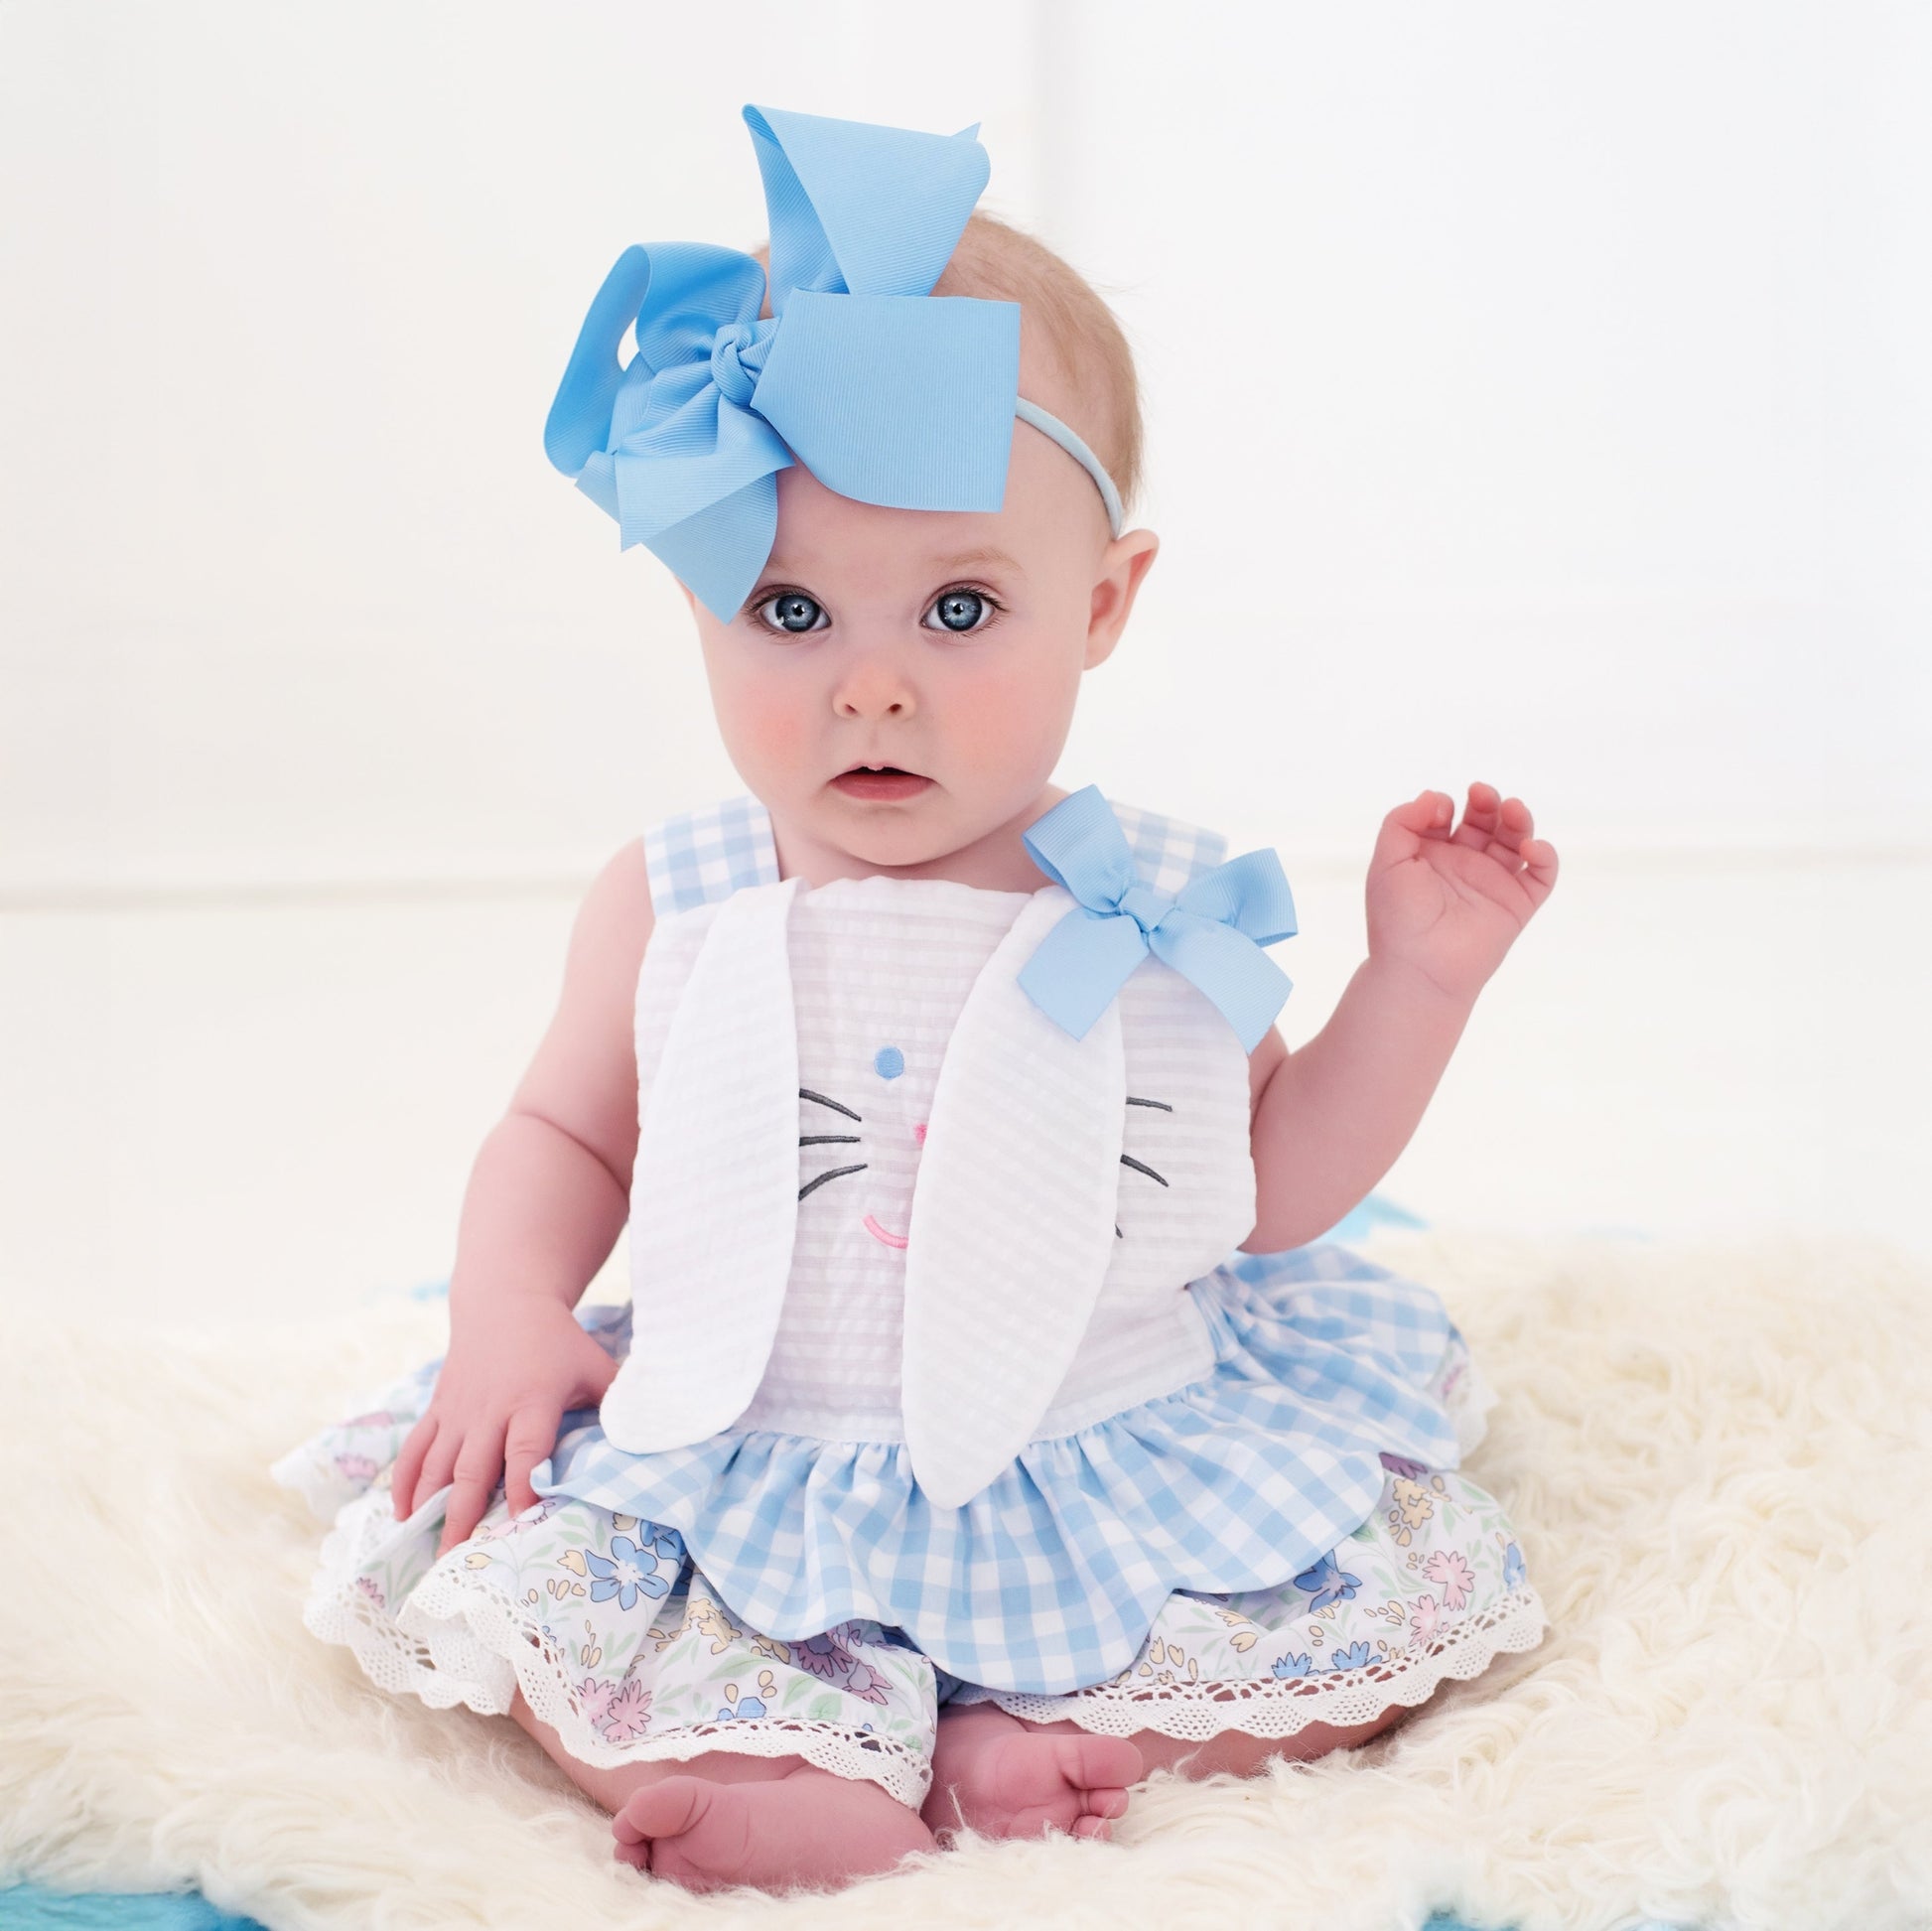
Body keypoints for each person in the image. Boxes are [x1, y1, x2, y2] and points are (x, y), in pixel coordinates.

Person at [271, 103, 1557, 1894]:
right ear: (699, 605)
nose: (870, 690)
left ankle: (1046, 1736)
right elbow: (563, 1130)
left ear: (1102, 602)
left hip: (1092, 1441)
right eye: (791, 613)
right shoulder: (680, 894)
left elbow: (1260, 1186)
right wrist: (508, 1304)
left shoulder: (1142, 904)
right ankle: (778, 1752)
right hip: (757, 1437)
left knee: (1335, 1642)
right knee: (557, 1628)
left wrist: (1414, 982)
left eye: (958, 611)